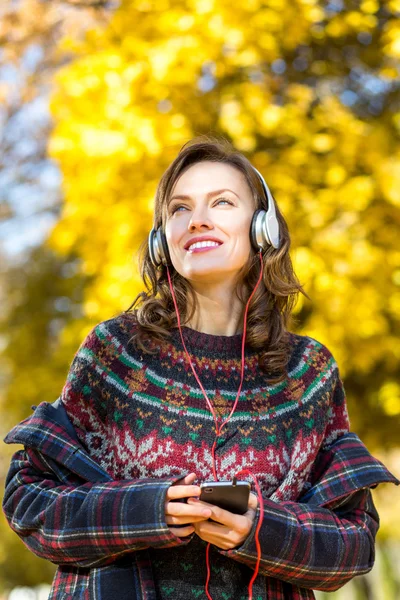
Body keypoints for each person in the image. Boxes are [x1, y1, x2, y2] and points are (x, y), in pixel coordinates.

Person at [3, 135, 399, 600]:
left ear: (262, 229)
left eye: (222, 202)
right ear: (161, 240)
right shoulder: (113, 352)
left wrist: (259, 530)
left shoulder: (308, 372)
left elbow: (353, 544)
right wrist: (146, 509)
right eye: (179, 209)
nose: (198, 220)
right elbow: (28, 501)